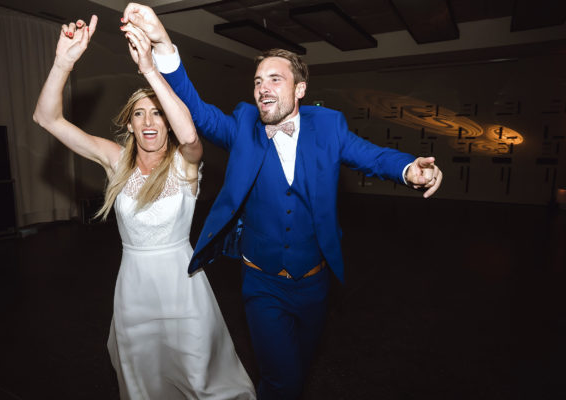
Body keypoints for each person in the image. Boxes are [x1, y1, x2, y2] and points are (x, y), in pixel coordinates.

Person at [122, 4, 443, 399]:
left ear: (300, 90)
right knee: (281, 381)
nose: (263, 88)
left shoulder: (329, 127)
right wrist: (164, 44)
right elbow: (198, 111)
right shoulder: (243, 126)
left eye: (275, 79)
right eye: (258, 81)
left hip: (314, 284)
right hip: (261, 284)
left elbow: (373, 156)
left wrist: (410, 168)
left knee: (300, 369)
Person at [32, 15, 255, 400]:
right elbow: (46, 118)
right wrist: (63, 63)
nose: (149, 121)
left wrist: (150, 69)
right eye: (139, 114)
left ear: (168, 123)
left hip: (183, 289)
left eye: (157, 113)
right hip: (134, 289)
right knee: (141, 378)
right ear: (130, 125)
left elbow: (189, 133)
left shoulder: (186, 164)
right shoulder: (115, 160)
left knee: (199, 375)